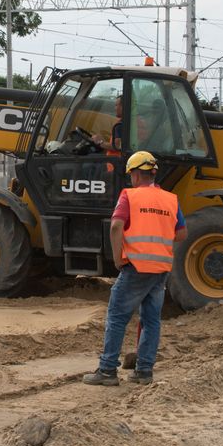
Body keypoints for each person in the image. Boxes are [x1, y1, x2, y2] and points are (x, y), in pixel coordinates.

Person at [83, 150, 187, 386]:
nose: (131, 179)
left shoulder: (129, 196)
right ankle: (144, 371)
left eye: (131, 174)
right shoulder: (171, 199)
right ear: (153, 174)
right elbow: (181, 233)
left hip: (136, 265)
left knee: (117, 317)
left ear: (137, 175)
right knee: (151, 320)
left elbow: (116, 227)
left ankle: (108, 370)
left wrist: (118, 257)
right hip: (160, 268)